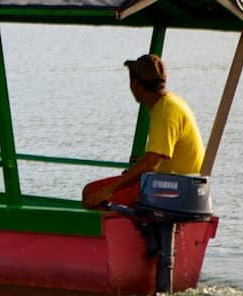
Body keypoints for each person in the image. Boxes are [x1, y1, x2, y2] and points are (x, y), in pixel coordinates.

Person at [82, 54, 205, 209]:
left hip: (174, 190)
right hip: (179, 185)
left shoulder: (165, 111)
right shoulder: (170, 103)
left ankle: (132, 232)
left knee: (93, 195)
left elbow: (151, 163)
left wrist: (107, 191)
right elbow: (153, 161)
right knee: (92, 191)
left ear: (136, 84)